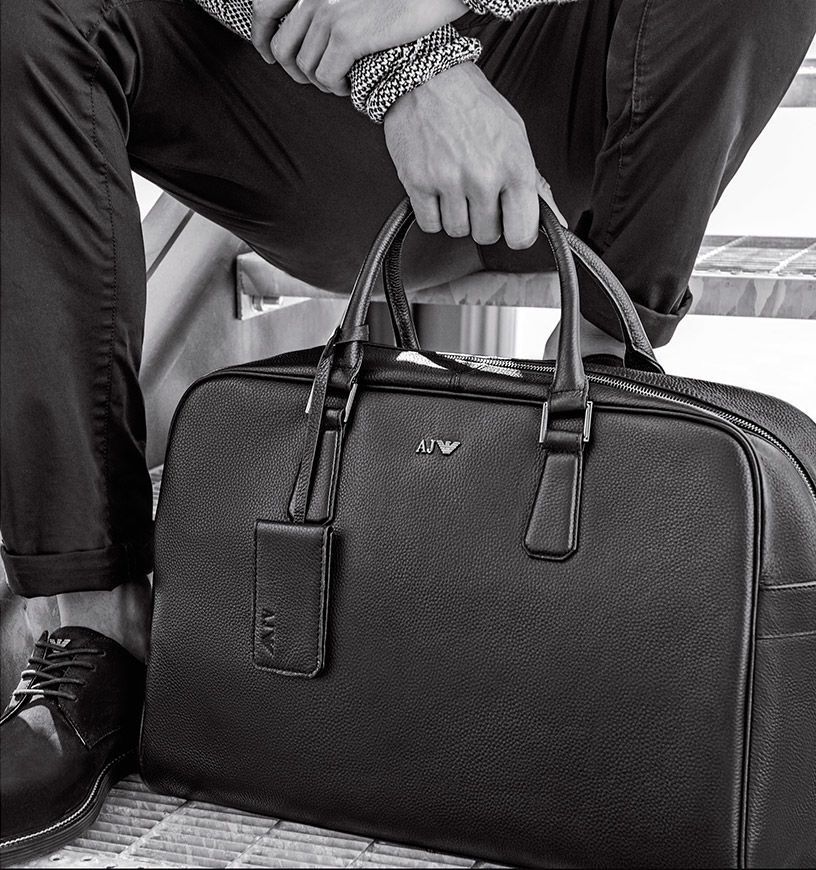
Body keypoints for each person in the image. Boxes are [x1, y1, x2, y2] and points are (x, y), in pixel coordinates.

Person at [1, 0, 814, 861]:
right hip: (313, 85)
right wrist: (411, 67)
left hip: (585, 97)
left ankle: (602, 367)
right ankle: (97, 620)